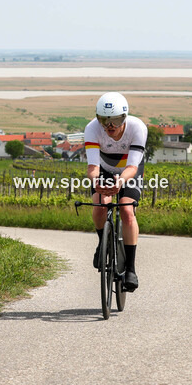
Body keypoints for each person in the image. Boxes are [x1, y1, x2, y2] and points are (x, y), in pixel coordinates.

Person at [84, 92, 146, 291]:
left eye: (116, 121)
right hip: (104, 169)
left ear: (125, 117)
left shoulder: (137, 128)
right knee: (100, 204)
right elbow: (93, 167)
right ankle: (102, 243)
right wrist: (97, 182)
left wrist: (120, 181)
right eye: (104, 120)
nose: (109, 126)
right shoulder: (92, 128)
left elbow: (133, 167)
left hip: (129, 170)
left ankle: (130, 269)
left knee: (127, 210)